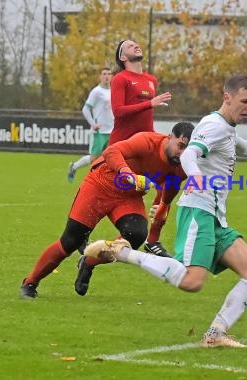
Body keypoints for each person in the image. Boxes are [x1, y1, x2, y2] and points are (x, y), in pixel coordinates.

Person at [83, 74, 247, 348]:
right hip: (198, 212)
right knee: (193, 281)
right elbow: (190, 154)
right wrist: (194, 176)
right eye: (244, 101)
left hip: (215, 217)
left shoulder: (227, 128)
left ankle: (215, 335)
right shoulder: (212, 126)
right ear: (227, 97)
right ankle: (121, 252)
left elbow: (246, 146)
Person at [19, 122, 194, 299]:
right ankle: (30, 282)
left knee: (135, 236)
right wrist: (128, 174)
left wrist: (163, 207)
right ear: (169, 137)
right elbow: (111, 152)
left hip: (128, 197)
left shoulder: (182, 165)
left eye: (187, 149)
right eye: (180, 146)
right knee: (70, 241)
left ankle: (88, 261)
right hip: (100, 184)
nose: (182, 153)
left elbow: (172, 185)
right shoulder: (147, 142)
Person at [111, 39, 174, 256]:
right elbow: (118, 111)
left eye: (136, 44)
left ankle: (152, 240)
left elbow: (146, 117)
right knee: (114, 197)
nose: (136, 46)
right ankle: (83, 235)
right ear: (122, 57)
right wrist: (150, 103)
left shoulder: (150, 79)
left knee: (169, 183)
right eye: (129, 46)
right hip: (123, 149)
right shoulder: (120, 79)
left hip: (145, 148)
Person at [68, 67, 114, 183]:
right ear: (100, 76)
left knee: (112, 156)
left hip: (112, 130)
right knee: (94, 158)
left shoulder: (114, 90)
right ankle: (74, 167)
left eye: (109, 74)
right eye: (104, 74)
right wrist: (93, 124)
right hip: (99, 131)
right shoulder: (96, 91)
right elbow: (85, 109)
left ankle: (106, 181)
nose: (107, 76)